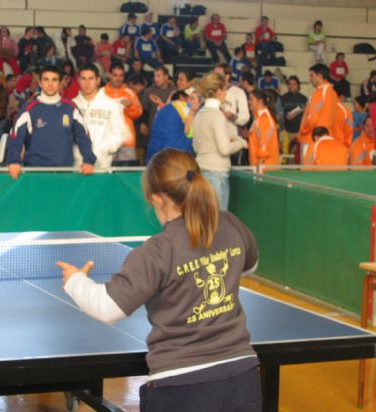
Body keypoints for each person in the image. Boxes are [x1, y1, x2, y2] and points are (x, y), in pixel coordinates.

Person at [58, 148, 261, 412]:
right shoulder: (229, 223)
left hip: (182, 388)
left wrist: (75, 281)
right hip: (243, 377)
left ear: (156, 199)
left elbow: (107, 308)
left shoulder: (157, 251)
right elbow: (251, 264)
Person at [6, 65, 96, 178]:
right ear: (40, 83)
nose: (50, 84)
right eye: (46, 79)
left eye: (54, 80)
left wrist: (88, 160)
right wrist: (14, 160)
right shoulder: (29, 108)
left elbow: (83, 136)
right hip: (34, 173)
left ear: (60, 82)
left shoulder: (70, 107)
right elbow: (15, 137)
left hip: (64, 173)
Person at [192, 71, 248, 210]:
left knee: (205, 219)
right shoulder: (217, 116)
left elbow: (195, 146)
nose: (226, 93)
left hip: (201, 171)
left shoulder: (199, 114)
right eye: (224, 89)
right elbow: (225, 149)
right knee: (218, 221)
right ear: (218, 92)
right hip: (216, 174)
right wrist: (240, 142)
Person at [73, 64, 125, 170]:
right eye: (83, 79)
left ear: (98, 80)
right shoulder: (72, 105)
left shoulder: (111, 105)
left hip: (103, 165)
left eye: (91, 78)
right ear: (78, 80)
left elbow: (119, 133)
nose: (87, 83)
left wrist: (102, 150)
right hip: (77, 166)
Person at [103, 62, 143, 165]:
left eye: (121, 75)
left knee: (126, 177)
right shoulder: (101, 93)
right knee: (106, 176)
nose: (118, 78)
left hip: (126, 142)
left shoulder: (129, 92)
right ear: (109, 75)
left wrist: (130, 106)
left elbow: (138, 113)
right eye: (115, 75)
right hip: (106, 141)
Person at [146, 90, 199, 163]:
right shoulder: (185, 107)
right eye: (189, 98)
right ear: (181, 97)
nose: (189, 101)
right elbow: (190, 131)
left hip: (154, 156)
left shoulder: (162, 110)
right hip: (176, 156)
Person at [297, 63, 339, 147]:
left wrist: (302, 130)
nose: (310, 79)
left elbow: (312, 117)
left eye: (312, 76)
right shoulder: (332, 92)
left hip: (313, 138)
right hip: (326, 137)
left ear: (319, 76)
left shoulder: (321, 93)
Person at [140, 66, 176, 149]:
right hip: (153, 131)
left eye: (158, 76)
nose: (156, 79)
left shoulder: (174, 91)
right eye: (155, 76)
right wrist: (143, 123)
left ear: (166, 76)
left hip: (169, 131)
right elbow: (145, 108)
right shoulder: (149, 91)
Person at [248, 89, 280, 168]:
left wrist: (260, 164)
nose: (249, 102)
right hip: (260, 165)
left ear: (260, 101)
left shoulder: (264, 119)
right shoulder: (259, 118)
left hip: (264, 167)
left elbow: (264, 143)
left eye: (251, 99)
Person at [281, 76, 308, 155]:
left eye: (294, 84)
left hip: (299, 132)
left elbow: (307, 114)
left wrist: (303, 110)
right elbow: (279, 113)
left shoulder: (303, 98)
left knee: (297, 155)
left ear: (298, 85)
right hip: (286, 131)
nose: (292, 86)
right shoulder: (283, 98)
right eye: (290, 84)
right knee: (285, 155)